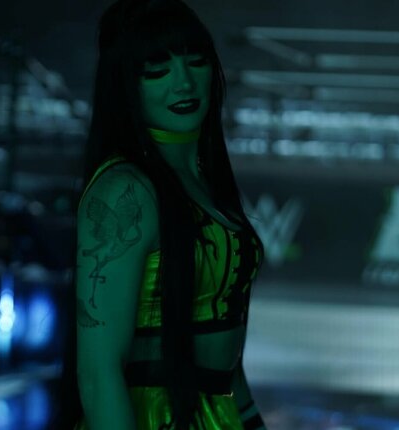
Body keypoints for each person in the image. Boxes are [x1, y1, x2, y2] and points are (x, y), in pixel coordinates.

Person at [52, 0, 267, 429]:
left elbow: (225, 361)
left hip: (215, 414)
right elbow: (98, 374)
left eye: (196, 62)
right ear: (126, 85)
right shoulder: (126, 189)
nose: (183, 82)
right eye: (157, 71)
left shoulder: (207, 184)